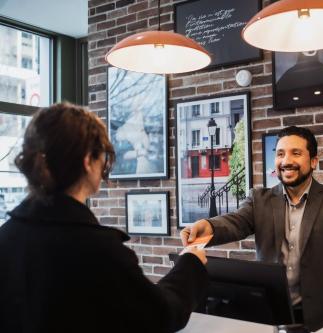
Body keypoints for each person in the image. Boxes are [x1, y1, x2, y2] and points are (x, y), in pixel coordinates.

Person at [0, 102, 208, 333]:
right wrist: (191, 262)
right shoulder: (99, 250)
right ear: (88, 160)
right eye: (104, 157)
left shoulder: (5, 237)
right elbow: (163, 316)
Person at [182, 126, 323, 331]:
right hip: (271, 317)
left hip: (320, 318)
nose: (286, 161)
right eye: (280, 154)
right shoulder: (259, 200)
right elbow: (236, 221)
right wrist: (208, 226)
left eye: (296, 153)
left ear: (313, 161)